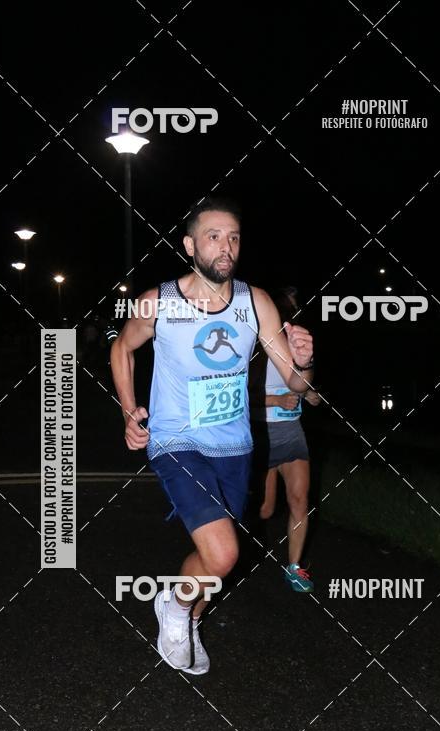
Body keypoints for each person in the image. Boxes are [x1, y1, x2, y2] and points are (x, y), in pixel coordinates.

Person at [110, 196, 314, 675]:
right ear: (189, 245)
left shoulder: (255, 302)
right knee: (224, 553)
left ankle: (185, 615)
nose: (226, 247)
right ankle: (178, 610)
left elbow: (296, 384)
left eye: (234, 237)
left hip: (236, 448)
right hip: (177, 441)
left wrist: (303, 361)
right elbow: (122, 349)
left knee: (212, 558)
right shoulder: (158, 302)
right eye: (214, 236)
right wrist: (128, 412)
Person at [250, 288, 320, 592]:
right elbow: (241, 401)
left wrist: (311, 394)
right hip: (262, 436)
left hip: (292, 434)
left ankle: (294, 568)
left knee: (299, 501)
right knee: (264, 509)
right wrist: (276, 400)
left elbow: (308, 391)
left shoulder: (296, 353)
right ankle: (232, 548)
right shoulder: (254, 352)